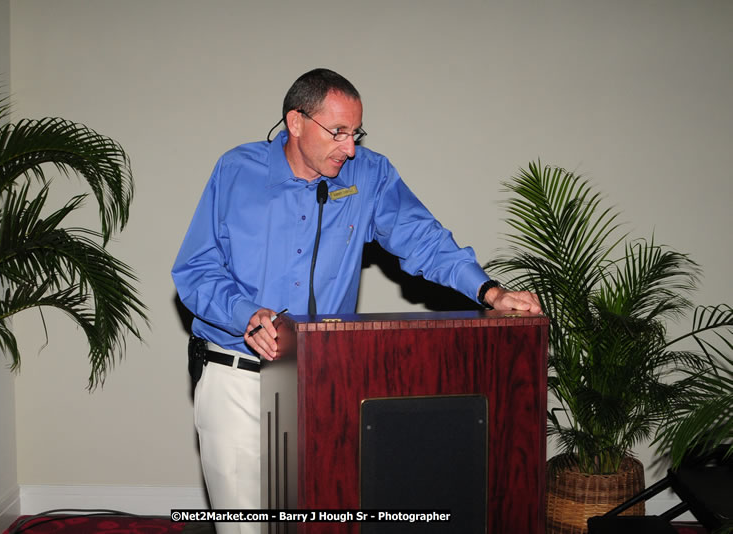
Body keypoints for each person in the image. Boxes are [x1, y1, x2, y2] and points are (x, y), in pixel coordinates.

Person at [171, 68, 541, 534]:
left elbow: (423, 240)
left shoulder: (369, 175)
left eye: (356, 133)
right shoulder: (236, 171)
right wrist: (246, 314)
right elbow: (195, 270)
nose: (349, 147)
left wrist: (490, 291)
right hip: (237, 380)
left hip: (324, 381)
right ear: (296, 122)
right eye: (338, 132)